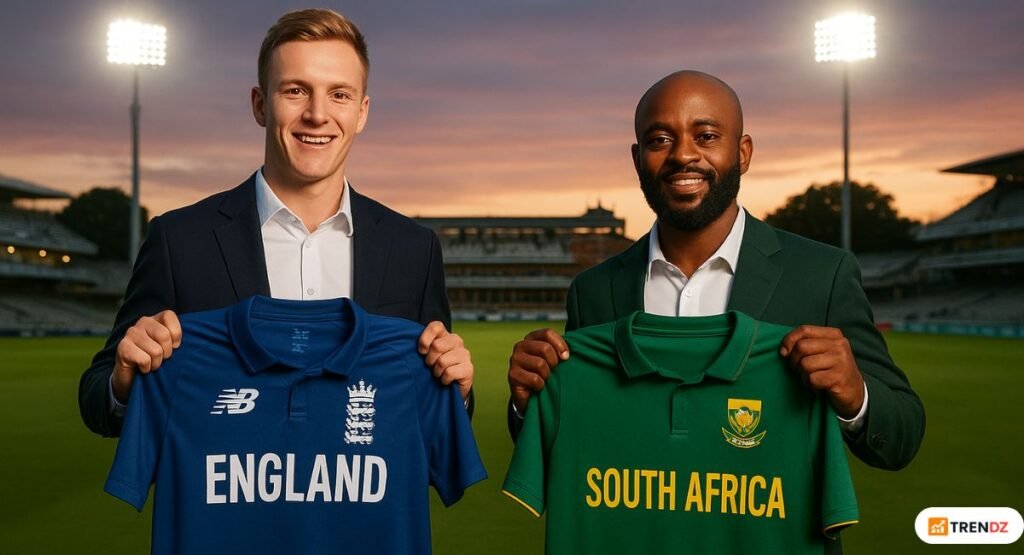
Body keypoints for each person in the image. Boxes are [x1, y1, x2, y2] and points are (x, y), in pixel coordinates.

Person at [80, 8, 474, 438]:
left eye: (339, 95)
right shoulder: (180, 241)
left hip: (360, 504)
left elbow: (432, 419)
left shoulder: (413, 249)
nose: (317, 114)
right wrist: (122, 378)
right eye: (295, 91)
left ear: (361, 113)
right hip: (227, 503)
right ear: (259, 104)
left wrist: (458, 390)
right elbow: (99, 399)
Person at [506, 70, 924, 471]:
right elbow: (570, 442)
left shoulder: (821, 275)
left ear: (742, 153)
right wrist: (527, 404)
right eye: (660, 139)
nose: (683, 155)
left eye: (706, 136)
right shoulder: (594, 291)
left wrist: (857, 397)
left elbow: (901, 437)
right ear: (638, 159)